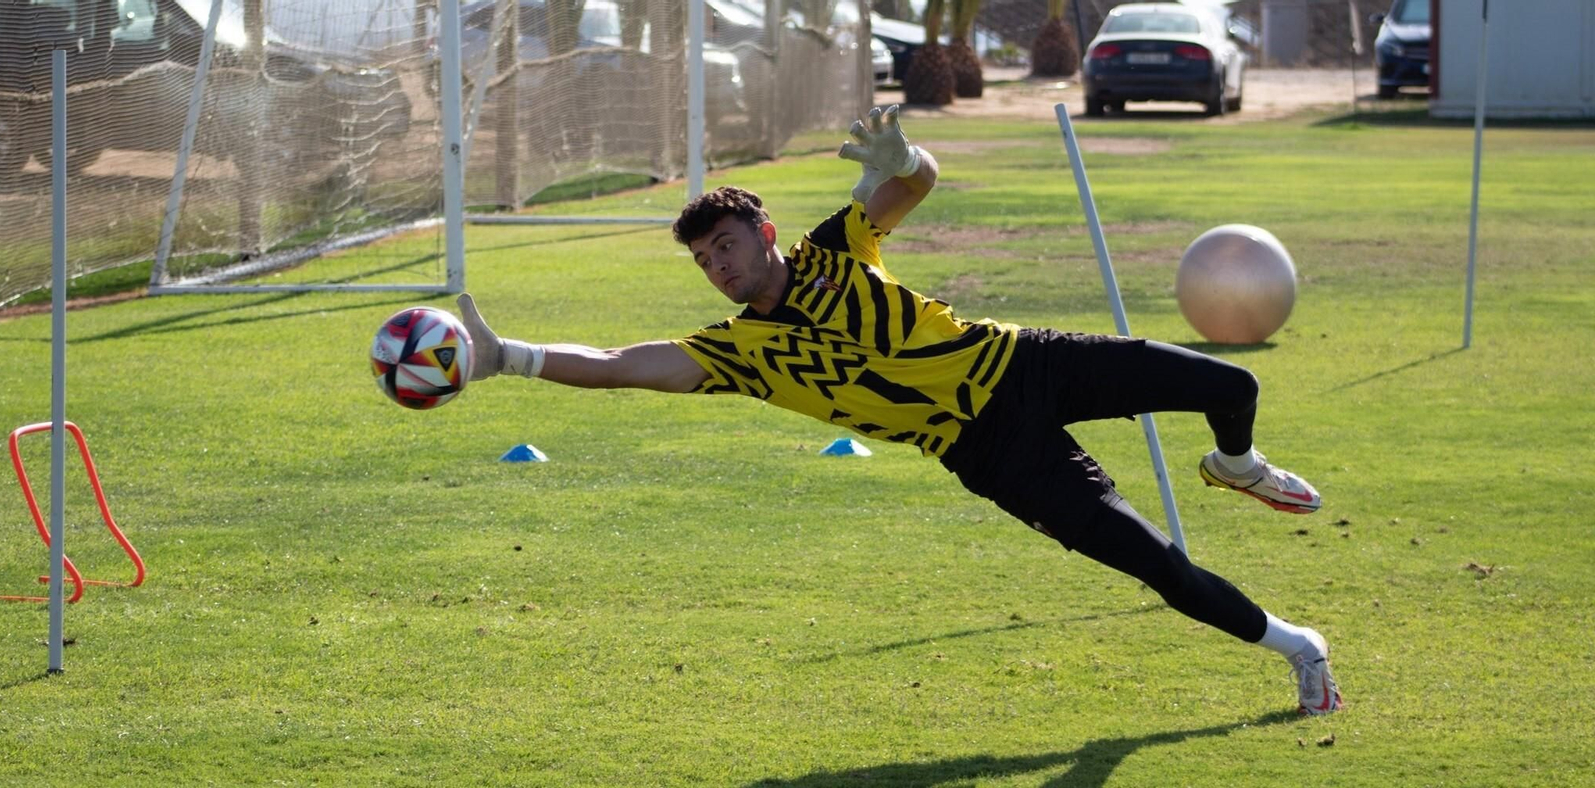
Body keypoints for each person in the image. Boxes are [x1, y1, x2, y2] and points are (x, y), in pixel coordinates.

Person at [455, 105, 1343, 715]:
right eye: (703, 261)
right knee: (1160, 569)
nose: (718, 268)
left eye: (725, 247)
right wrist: (514, 360)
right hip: (989, 453)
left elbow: (910, 187)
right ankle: (1299, 647)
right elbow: (617, 364)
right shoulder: (735, 354)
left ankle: (1233, 466)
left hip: (1024, 365)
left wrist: (906, 160)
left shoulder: (834, 248)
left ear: (763, 235)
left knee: (1233, 387)